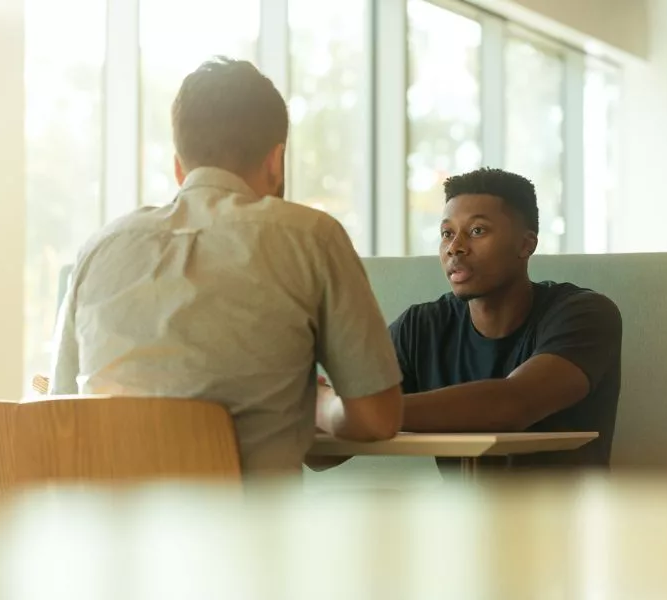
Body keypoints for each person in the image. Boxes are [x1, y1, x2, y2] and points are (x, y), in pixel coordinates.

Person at [48, 57, 403, 476]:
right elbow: (377, 419)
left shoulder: (99, 248)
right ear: (276, 161)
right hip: (249, 536)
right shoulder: (311, 237)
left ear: (180, 166)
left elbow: (58, 412)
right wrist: (321, 404)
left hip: (107, 535)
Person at [320, 168, 622, 469]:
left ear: (526, 244)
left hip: (567, 515)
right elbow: (324, 457)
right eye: (447, 234)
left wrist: (357, 411)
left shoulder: (585, 315)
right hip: (461, 515)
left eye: (477, 230)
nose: (455, 247)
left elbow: (512, 405)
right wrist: (314, 409)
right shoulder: (420, 328)